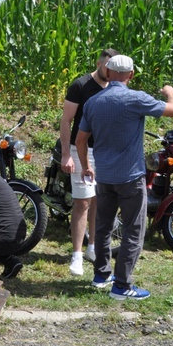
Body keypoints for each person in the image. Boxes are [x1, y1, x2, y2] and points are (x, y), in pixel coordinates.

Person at [76, 54, 173, 300]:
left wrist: (85, 166)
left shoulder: (93, 102)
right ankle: (122, 286)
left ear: (108, 73)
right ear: (131, 75)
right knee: (134, 230)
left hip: (104, 176)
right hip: (131, 177)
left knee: (102, 227)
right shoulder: (136, 99)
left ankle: (101, 275)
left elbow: (80, 139)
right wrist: (170, 92)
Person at [60, 48, 118, 276]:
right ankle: (76, 255)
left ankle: (92, 248)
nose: (110, 71)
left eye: (114, 68)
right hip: (82, 149)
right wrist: (66, 153)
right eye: (107, 66)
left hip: (107, 152)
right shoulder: (80, 85)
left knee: (99, 201)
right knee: (82, 201)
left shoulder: (117, 86)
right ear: (98, 63)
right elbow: (66, 120)